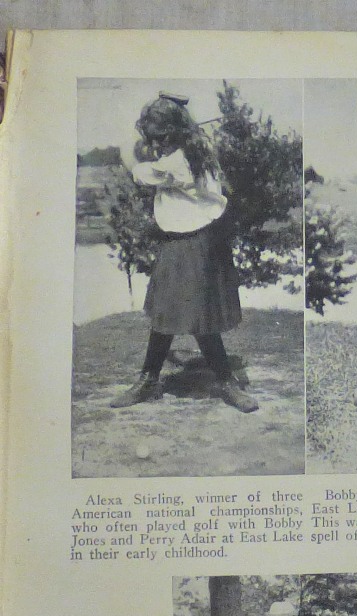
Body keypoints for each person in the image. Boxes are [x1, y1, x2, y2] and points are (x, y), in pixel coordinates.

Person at [111, 92, 258, 413]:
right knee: (169, 310)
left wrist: (135, 142)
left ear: (173, 132)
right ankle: (150, 379)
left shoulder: (180, 163)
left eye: (161, 136)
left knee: (198, 315)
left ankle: (224, 381)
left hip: (196, 241)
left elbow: (134, 167)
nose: (157, 142)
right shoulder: (197, 148)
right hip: (189, 239)